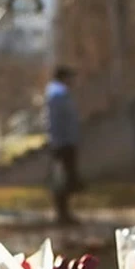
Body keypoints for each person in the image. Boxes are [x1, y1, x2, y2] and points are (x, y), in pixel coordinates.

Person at [45, 65, 82, 225]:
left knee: (63, 178)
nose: (73, 81)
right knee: (63, 179)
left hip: (61, 141)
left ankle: (64, 213)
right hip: (63, 142)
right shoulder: (59, 93)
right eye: (70, 77)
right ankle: (62, 214)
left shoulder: (55, 92)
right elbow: (62, 120)